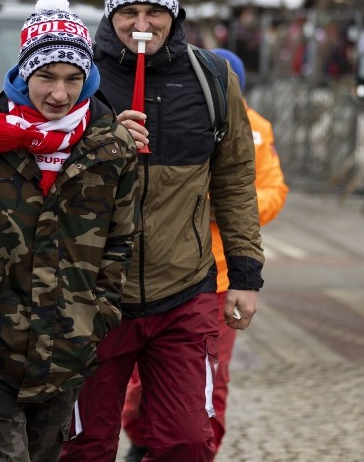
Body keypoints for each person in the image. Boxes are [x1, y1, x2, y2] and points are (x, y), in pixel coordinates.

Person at [59, 0, 265, 462]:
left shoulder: (212, 79)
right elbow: (41, 176)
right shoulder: (76, 80)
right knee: (84, 447)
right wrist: (104, 142)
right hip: (96, 300)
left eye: (155, 11)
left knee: (186, 442)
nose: (142, 24)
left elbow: (237, 179)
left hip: (186, 293)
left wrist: (244, 276)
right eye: (129, 12)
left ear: (175, 12)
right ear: (110, 13)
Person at [0, 0, 141, 462]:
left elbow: (121, 241)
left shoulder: (111, 148)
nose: (59, 93)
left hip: (68, 350)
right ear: (23, 72)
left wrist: (98, 316)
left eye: (73, 78)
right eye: (46, 77)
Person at [120, 48, 289, 461]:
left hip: (217, 279)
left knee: (208, 380)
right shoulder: (168, 108)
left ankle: (199, 451)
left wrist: (215, 206)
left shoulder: (257, 129)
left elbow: (271, 191)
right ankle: (141, 439)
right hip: (161, 271)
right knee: (141, 380)